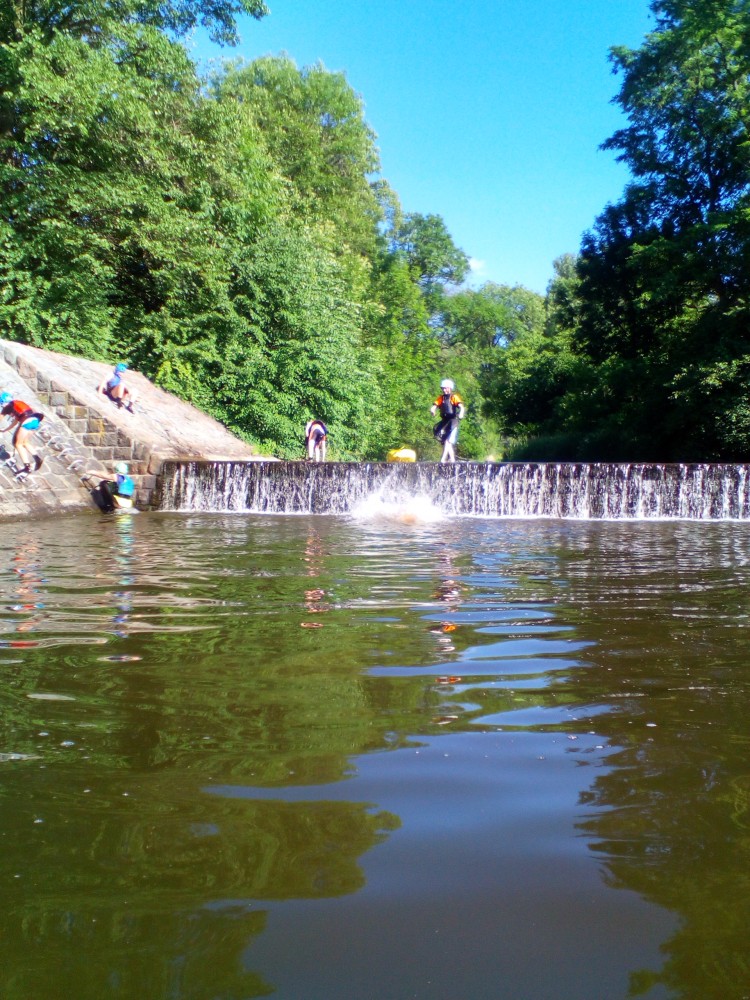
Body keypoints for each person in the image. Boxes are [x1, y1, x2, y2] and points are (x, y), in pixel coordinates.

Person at [0, 391, 44, 477]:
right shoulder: (16, 405)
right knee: (25, 442)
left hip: (27, 421)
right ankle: (37, 459)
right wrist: (5, 430)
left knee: (18, 444)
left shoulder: (7, 407)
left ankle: (27, 467)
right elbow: (15, 422)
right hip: (35, 421)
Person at [430, 379, 465, 463]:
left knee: (448, 441)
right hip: (445, 422)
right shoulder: (441, 398)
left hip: (453, 422)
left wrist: (461, 413)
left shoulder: (453, 397)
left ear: (450, 388)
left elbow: (461, 407)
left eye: (445, 388)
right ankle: (452, 460)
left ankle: (443, 459)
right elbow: (435, 405)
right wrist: (432, 410)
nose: (444, 390)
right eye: (443, 388)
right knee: (446, 441)